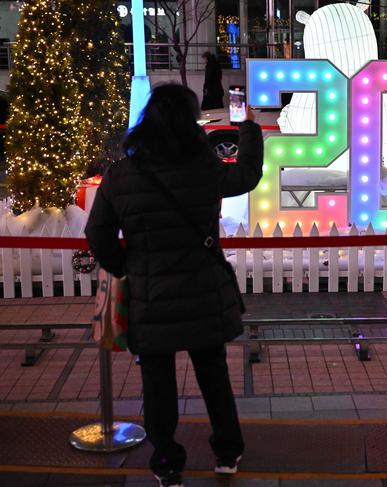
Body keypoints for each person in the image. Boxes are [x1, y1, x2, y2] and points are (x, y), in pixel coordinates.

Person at [85, 84, 263, 487]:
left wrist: (126, 268)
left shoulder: (121, 174)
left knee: (158, 385)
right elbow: (248, 175)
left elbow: (98, 235)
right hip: (203, 293)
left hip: (151, 300)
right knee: (213, 376)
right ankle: (227, 451)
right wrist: (248, 128)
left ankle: (167, 464)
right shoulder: (203, 169)